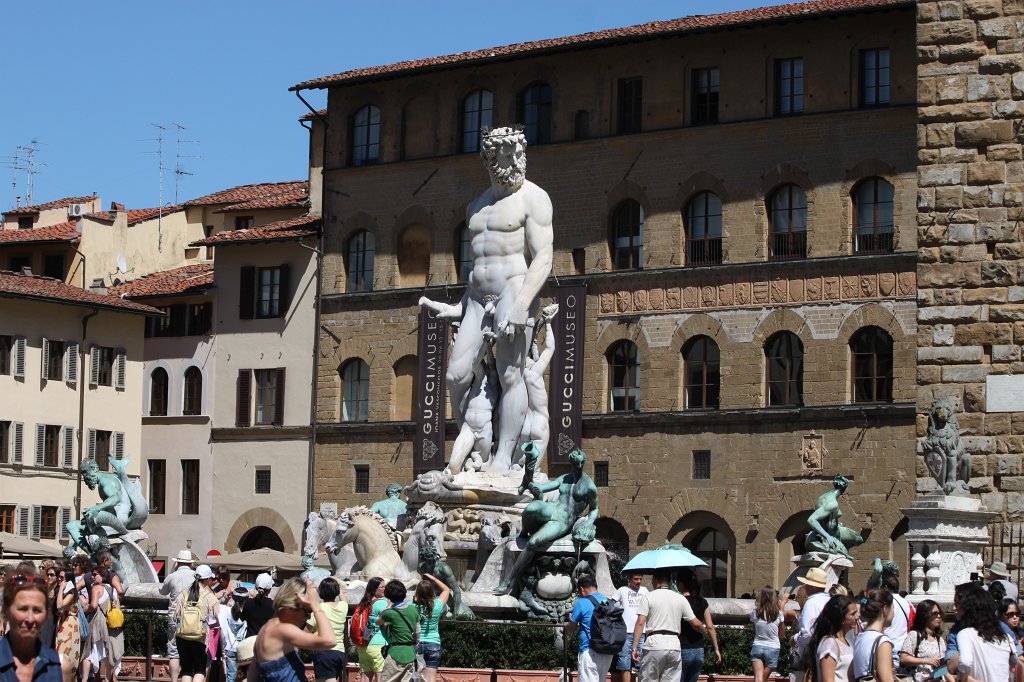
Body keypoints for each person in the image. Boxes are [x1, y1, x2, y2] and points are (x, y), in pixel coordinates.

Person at [419, 125, 554, 475]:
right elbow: (478, 267)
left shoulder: (534, 198)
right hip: (476, 298)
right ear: (488, 159)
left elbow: (543, 258)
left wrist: (523, 303)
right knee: (455, 375)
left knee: (511, 375)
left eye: (517, 155)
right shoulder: (475, 207)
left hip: (516, 289)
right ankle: (480, 443)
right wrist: (456, 308)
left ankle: (503, 460)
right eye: (504, 156)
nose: (513, 162)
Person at [497, 448, 598, 594]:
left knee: (533, 543)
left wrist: (588, 522)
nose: (579, 466)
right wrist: (529, 475)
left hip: (563, 520)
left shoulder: (589, 486)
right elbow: (541, 488)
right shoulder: (564, 478)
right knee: (532, 507)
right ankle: (523, 533)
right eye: (576, 464)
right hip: (553, 508)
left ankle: (508, 580)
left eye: (581, 464)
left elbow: (595, 509)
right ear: (571, 463)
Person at [248, 578, 335, 682]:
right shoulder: (282, 630)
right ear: (291, 607)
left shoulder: (264, 630)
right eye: (307, 611)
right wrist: (315, 605)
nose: (307, 617)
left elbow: (251, 678)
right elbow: (330, 640)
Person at [631, 569, 705, 682]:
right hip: (673, 644)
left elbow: (640, 622)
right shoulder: (680, 598)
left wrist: (634, 647)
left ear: (654, 580)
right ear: (669, 582)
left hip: (654, 644)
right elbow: (695, 622)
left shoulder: (648, 597)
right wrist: (705, 630)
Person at [1, 567, 66, 682]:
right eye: (22, 609)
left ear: (47, 614)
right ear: (6, 611)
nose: (30, 619)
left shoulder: (59, 666)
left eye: (37, 610)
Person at [950, 582, 1018, 682]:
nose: (953, 608)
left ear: (968, 607)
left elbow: (965, 662)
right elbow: (1014, 662)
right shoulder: (1005, 636)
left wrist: (963, 678)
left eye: (956, 604)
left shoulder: (965, 634)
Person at [172, 565, 220, 682]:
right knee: (200, 670)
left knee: (186, 670)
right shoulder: (210, 597)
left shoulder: (183, 594)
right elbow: (218, 619)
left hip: (182, 637)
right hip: (200, 637)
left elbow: (175, 617)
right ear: (208, 579)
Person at [566, 575, 614, 682]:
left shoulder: (581, 602)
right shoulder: (606, 601)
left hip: (590, 650)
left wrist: (569, 623)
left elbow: (571, 628)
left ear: (582, 589)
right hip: (607, 651)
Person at [676, 569, 721, 682]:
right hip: (698, 650)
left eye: (677, 582)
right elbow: (710, 626)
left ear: (681, 584)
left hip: (682, 648)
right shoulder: (702, 602)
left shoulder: (678, 601)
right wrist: (716, 649)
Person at [805, 476, 864, 558]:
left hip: (836, 528)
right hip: (833, 533)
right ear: (844, 488)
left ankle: (842, 551)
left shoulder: (822, 497)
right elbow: (811, 520)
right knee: (859, 539)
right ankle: (841, 550)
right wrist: (828, 537)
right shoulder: (832, 503)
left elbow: (825, 517)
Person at [801, 594, 856, 682]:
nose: (857, 617)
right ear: (841, 617)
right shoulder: (829, 644)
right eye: (853, 614)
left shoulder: (847, 641)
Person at [161, 550, 197, 682]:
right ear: (190, 564)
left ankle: (174, 681)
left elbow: (162, 591)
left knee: (174, 652)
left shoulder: (172, 576)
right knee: (192, 650)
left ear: (177, 563)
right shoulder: (195, 576)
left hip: (174, 617)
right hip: (192, 617)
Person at [792, 567, 832, 682]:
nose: (805, 587)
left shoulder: (811, 603)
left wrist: (795, 640)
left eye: (806, 584)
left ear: (812, 586)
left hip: (814, 652)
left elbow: (808, 633)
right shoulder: (829, 599)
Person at [376, 580, 419, 682]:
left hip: (395, 654)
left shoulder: (389, 613)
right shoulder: (413, 610)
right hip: (410, 653)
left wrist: (389, 605)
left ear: (388, 595)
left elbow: (378, 621)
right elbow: (418, 632)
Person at [306, 578, 347, 682]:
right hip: (339, 652)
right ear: (337, 591)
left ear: (321, 592)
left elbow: (306, 631)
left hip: (324, 652)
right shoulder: (343, 607)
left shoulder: (319, 609)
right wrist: (339, 588)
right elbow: (344, 599)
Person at [413, 574, 450, 682]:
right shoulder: (437, 605)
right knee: (431, 679)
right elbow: (447, 590)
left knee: (415, 677)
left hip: (417, 645)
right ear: (432, 592)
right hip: (433, 644)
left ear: (417, 593)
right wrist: (433, 579)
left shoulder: (411, 607)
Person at [611, 574, 648, 682]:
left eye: (640, 579)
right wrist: (602, 603)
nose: (638, 581)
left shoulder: (645, 590)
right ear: (629, 579)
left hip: (642, 632)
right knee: (624, 664)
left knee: (642, 664)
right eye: (636, 579)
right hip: (625, 632)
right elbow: (610, 603)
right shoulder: (622, 590)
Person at [900, 599, 949, 682]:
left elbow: (942, 668)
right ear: (925, 615)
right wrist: (926, 661)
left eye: (940, 613)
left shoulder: (939, 640)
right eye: (935, 613)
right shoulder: (914, 635)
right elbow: (904, 658)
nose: (939, 616)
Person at [852, 589, 895, 682]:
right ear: (885, 609)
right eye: (893, 608)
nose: (894, 612)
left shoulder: (860, 637)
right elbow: (887, 679)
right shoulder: (883, 642)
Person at [750, 586, 788, 682]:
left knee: (758, 678)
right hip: (773, 647)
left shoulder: (755, 612)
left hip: (757, 645)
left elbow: (755, 628)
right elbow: (782, 634)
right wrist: (783, 604)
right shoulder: (779, 614)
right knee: (762, 679)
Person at [81, 567, 112, 682]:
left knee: (88, 651)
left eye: (95, 574)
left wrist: (85, 608)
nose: (92, 577)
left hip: (97, 621)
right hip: (108, 622)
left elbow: (93, 605)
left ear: (102, 576)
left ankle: (84, 680)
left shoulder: (96, 588)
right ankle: (107, 679)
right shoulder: (110, 588)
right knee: (106, 652)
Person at [356, 577, 388, 682]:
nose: (384, 589)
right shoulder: (381, 603)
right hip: (377, 644)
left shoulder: (363, 603)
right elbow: (389, 621)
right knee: (381, 677)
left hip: (363, 644)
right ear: (375, 589)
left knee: (365, 676)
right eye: (382, 587)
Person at [881, 573, 913, 668]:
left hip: (887, 647)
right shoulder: (908, 603)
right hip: (902, 649)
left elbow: (864, 602)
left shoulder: (885, 602)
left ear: (885, 587)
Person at [218, 587, 249, 682]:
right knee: (246, 675)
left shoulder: (225, 609)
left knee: (231, 676)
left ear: (233, 597)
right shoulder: (249, 611)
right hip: (245, 648)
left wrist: (227, 597)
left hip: (230, 647)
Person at [241, 574, 276, 638]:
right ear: (270, 589)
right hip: (265, 641)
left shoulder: (248, 603)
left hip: (250, 640)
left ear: (256, 587)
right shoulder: (273, 605)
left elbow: (242, 619)